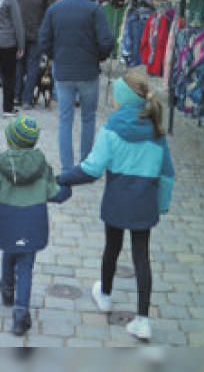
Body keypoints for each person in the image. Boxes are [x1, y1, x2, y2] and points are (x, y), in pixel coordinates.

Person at [57, 69, 175, 342]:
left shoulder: (111, 129)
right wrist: (162, 204)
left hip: (117, 201)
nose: (111, 99)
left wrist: (62, 178)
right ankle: (143, 319)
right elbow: (167, 172)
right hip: (144, 203)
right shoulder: (156, 130)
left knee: (112, 248)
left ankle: (106, 295)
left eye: (114, 95)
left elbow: (91, 169)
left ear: (122, 99)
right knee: (141, 258)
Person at [0, 116, 69, 336]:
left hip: (8, 221)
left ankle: (7, 288)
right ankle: (21, 313)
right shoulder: (43, 166)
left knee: (9, 252)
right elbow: (57, 195)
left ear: (9, 141)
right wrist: (68, 183)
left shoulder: (2, 164)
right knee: (26, 267)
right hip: (33, 223)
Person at [38, 0, 114, 169]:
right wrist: (97, 56)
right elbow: (106, 41)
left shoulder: (55, 10)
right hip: (88, 71)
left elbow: (44, 41)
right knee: (88, 118)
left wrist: (57, 56)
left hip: (63, 70)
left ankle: (66, 166)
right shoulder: (94, 10)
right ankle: (86, 162)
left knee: (65, 119)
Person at [12, 0, 54, 108]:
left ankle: (16, 95)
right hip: (37, 34)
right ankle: (27, 99)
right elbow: (49, 16)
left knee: (18, 65)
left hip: (19, 34)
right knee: (33, 67)